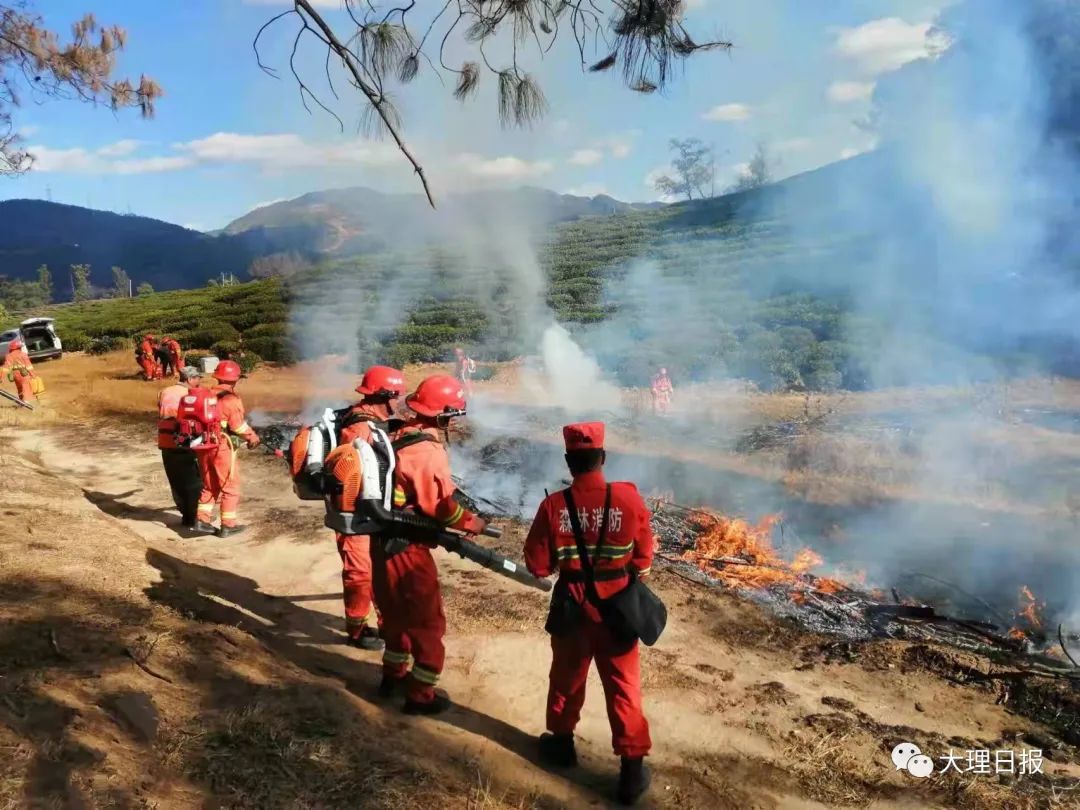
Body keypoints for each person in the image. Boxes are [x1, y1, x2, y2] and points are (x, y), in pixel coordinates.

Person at [523, 421, 655, 806]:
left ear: (568, 461)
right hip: (618, 610)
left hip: (572, 608)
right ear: (603, 457)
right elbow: (643, 559)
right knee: (624, 687)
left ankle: (562, 745)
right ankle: (631, 772)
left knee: (566, 678)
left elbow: (537, 565)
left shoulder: (553, 506)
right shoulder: (628, 500)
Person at [372, 373, 487, 714]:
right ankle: (420, 695)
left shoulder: (400, 434)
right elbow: (440, 507)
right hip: (409, 548)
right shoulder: (426, 451)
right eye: (453, 413)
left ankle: (393, 676)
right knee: (427, 621)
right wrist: (471, 522)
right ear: (443, 414)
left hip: (383, 541)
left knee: (394, 614)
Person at [335, 365, 407, 651]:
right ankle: (357, 629)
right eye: (397, 396)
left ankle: (386, 623)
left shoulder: (373, 422)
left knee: (380, 571)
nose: (399, 401)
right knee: (360, 573)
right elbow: (354, 473)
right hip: (356, 514)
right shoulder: (360, 428)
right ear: (384, 396)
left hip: (375, 511)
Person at [195, 360, 260, 537]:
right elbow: (238, 426)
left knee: (210, 484)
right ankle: (228, 525)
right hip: (221, 446)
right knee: (230, 485)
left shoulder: (206, 394)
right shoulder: (230, 399)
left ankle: (202, 520)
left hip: (203, 444)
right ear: (235, 379)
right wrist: (252, 437)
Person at [157, 367, 206, 531]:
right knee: (193, 480)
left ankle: (185, 515)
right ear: (190, 379)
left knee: (176, 480)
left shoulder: (164, 391)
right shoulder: (190, 395)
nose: (199, 382)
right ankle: (194, 517)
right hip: (185, 442)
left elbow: (161, 412)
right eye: (198, 379)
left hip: (165, 441)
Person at [2, 339, 37, 403]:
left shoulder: (8, 356)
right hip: (24, 374)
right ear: (19, 347)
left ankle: (21, 401)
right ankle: (26, 402)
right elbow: (29, 366)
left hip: (15, 375)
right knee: (26, 387)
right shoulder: (23, 354)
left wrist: (1, 377)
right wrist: (33, 375)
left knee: (19, 388)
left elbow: (5, 368)